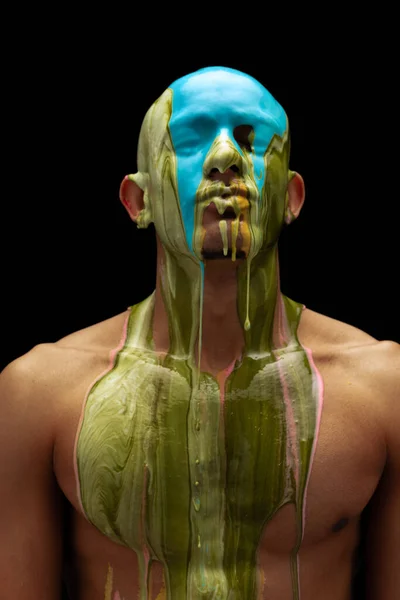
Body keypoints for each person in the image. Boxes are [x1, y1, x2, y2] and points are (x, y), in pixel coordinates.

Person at [0, 66, 398, 600]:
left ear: (293, 197)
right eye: (189, 139)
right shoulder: (39, 393)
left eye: (250, 140)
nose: (225, 158)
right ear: (136, 201)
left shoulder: (384, 390)